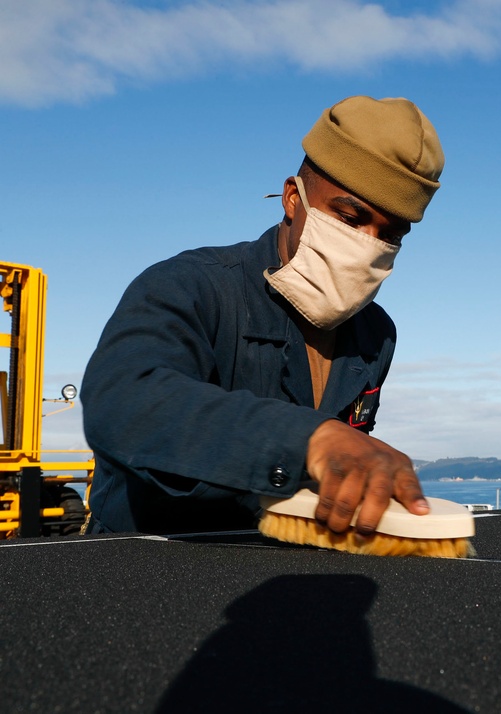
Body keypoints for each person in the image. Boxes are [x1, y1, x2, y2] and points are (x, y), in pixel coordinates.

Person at [81, 96, 445, 536]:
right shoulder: (191, 285)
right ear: (293, 199)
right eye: (350, 218)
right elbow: (121, 402)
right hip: (146, 564)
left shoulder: (376, 334)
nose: (368, 245)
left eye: (390, 235)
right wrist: (306, 439)